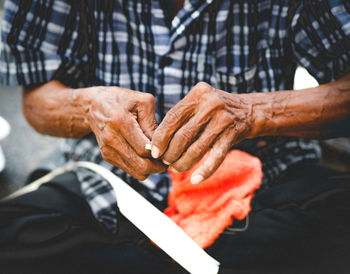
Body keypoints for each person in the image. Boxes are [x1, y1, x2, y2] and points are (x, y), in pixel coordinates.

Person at [0, 0, 350, 272]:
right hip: (105, 187)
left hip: (265, 180)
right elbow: (36, 103)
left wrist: (253, 112)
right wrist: (89, 107)